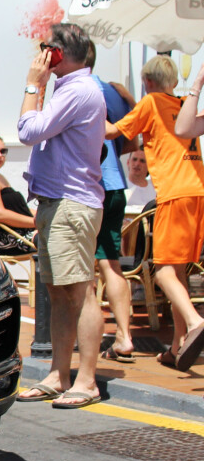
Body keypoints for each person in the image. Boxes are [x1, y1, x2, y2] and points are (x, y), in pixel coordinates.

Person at [15, 23, 107, 409]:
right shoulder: (71, 88)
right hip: (59, 202)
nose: (40, 56)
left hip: (71, 203)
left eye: (44, 49)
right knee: (57, 293)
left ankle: (86, 379)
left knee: (80, 292)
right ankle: (59, 373)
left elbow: (28, 130)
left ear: (56, 54)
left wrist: (32, 84)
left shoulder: (79, 90)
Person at [115, 55, 204, 372]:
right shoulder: (182, 104)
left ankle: (195, 322)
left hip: (174, 194)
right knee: (177, 272)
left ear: (148, 82)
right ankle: (178, 345)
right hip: (196, 191)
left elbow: (114, 131)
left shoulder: (151, 102)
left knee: (163, 272)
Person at [89, 42, 138, 363]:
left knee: (85, 269)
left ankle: (90, 336)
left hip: (91, 187)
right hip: (116, 184)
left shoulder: (82, 88)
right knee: (111, 264)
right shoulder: (113, 91)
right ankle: (124, 335)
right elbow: (130, 142)